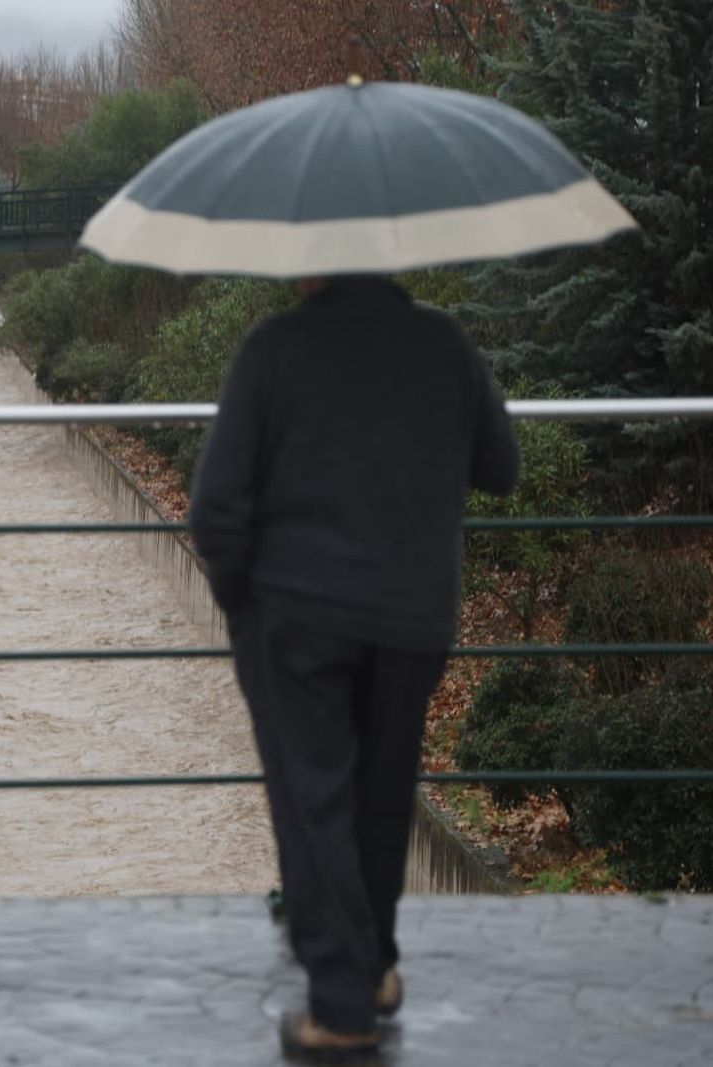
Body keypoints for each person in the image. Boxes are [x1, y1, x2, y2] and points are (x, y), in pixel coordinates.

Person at [188, 274, 519, 1063]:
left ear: (312, 263)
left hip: (298, 616)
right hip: (413, 618)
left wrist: (244, 604)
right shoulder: (445, 343)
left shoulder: (273, 350)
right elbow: (500, 467)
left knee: (315, 803)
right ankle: (372, 972)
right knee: (380, 795)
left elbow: (214, 508)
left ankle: (341, 1009)